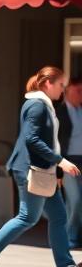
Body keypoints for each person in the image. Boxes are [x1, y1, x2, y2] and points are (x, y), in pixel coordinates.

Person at [0, 66, 82, 267]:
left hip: (43, 172)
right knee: (27, 217)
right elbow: (32, 140)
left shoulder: (44, 105)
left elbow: (47, 141)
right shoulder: (36, 106)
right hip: (31, 171)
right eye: (60, 85)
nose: (63, 90)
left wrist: (56, 170)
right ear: (47, 83)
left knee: (59, 217)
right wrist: (60, 162)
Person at [57, 76, 82, 250]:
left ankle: (73, 235)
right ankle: (69, 237)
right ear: (68, 89)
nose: (81, 95)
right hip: (67, 161)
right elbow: (56, 141)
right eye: (79, 91)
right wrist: (58, 169)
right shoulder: (60, 112)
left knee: (77, 202)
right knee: (75, 200)